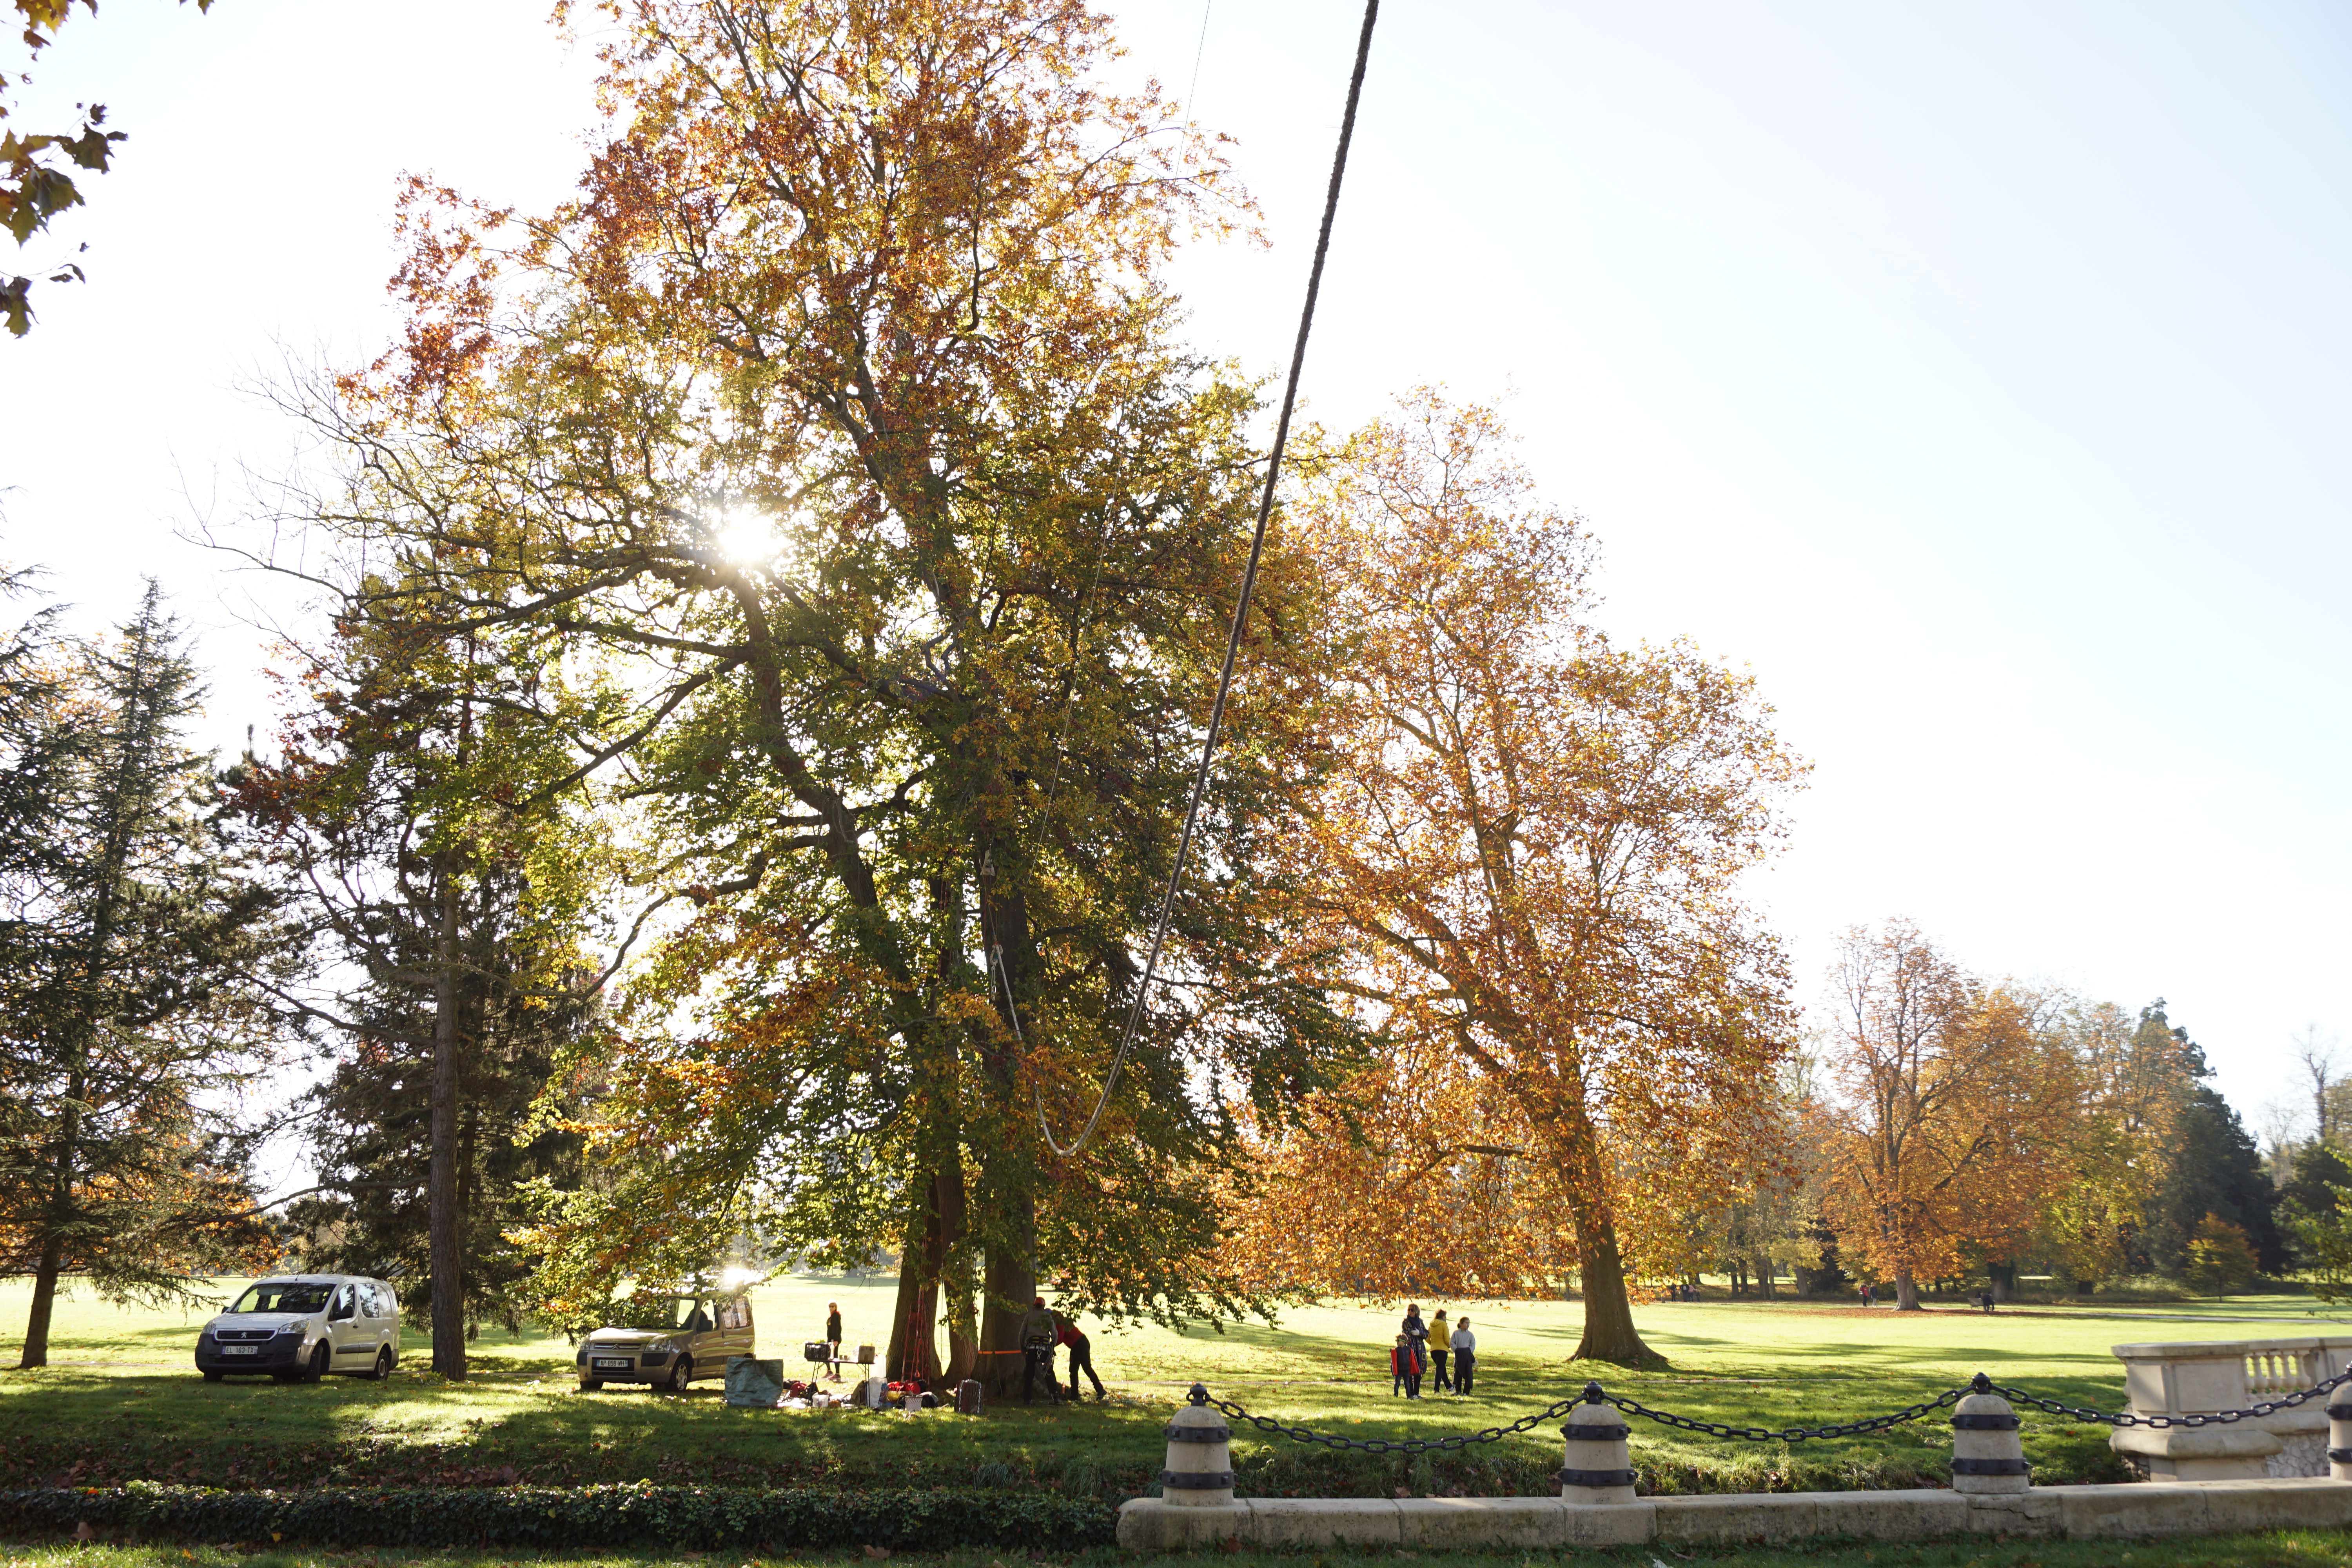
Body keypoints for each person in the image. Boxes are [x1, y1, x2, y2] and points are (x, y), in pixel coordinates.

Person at [1019, 1295, 1063, 1404]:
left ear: (1034, 1306)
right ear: (1044, 1307)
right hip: (1045, 1350)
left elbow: (1021, 1334)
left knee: (1029, 1373)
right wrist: (1052, 1345)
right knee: (1048, 1372)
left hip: (1031, 1349)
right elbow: (1055, 1334)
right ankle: (1056, 1398)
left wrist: (1023, 1348)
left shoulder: (1029, 1317)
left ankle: (1028, 1399)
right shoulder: (1048, 1317)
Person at [1058, 1314, 1106, 1401]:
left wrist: (1051, 1345)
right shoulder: (1060, 1322)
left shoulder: (1060, 1323)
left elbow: (1060, 1338)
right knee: (1073, 1371)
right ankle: (1074, 1395)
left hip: (1081, 1344)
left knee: (1087, 1368)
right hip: (1076, 1345)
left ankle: (1100, 1390)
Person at [1399, 1303, 1429, 1399]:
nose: (1410, 1312)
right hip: (1411, 1349)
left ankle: (1417, 1393)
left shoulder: (1420, 1322)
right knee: (1410, 1371)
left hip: (1420, 1350)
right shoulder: (1406, 1322)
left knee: (1419, 1371)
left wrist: (1419, 1333)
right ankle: (1411, 1393)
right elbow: (1405, 1335)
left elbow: (1426, 1334)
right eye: (1409, 1310)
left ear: (1416, 1311)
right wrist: (1410, 1344)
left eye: (1412, 1310)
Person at [1428, 1309, 1453, 1393]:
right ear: (1442, 1316)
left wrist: (1433, 1344)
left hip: (1433, 1350)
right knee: (1440, 1370)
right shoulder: (1444, 1325)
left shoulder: (1431, 1325)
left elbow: (1428, 1338)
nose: (1446, 1318)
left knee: (1442, 1369)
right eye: (1445, 1316)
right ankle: (1436, 1389)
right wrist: (1451, 1347)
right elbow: (1447, 1340)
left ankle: (1449, 1387)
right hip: (1442, 1350)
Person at [1451, 1316, 1476, 1396]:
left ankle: (1466, 1392)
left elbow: (1473, 1345)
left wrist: (1468, 1352)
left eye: (1469, 1323)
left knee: (1468, 1374)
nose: (1468, 1325)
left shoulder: (1470, 1335)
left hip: (1467, 1358)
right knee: (1458, 1374)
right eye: (1466, 1323)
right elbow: (1452, 1343)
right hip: (1459, 1357)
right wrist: (1457, 1351)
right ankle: (1458, 1390)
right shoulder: (1456, 1333)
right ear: (1461, 1324)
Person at [824, 1301, 844, 1381]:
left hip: (835, 1340)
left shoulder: (836, 1316)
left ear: (836, 1307)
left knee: (835, 1356)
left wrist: (835, 1340)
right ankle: (829, 1371)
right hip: (831, 1339)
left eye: (833, 1307)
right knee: (826, 1354)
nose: (831, 1308)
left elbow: (837, 1328)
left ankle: (837, 1374)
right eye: (830, 1307)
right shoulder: (832, 1316)